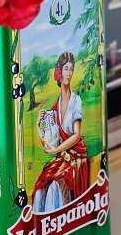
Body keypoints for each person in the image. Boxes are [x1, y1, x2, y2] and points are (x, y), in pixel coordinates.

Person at [32, 51, 88, 214]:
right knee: (42, 183)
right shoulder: (55, 105)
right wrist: (38, 124)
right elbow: (49, 141)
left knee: (56, 185)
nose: (69, 73)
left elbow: (76, 135)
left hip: (76, 157)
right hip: (62, 156)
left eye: (71, 69)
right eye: (66, 69)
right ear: (59, 71)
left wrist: (56, 150)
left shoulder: (76, 100)